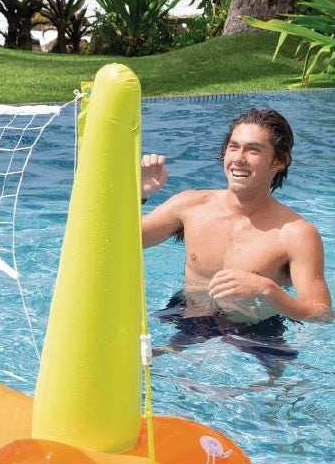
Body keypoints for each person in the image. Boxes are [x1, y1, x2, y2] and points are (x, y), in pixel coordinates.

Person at [141, 107, 331, 367]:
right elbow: (122, 241)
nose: (239, 158)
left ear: (279, 161)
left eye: (253, 150)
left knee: (273, 397)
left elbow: (321, 314)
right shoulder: (190, 206)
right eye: (234, 147)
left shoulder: (296, 234)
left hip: (258, 331)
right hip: (189, 316)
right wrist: (137, 194)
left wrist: (266, 289)